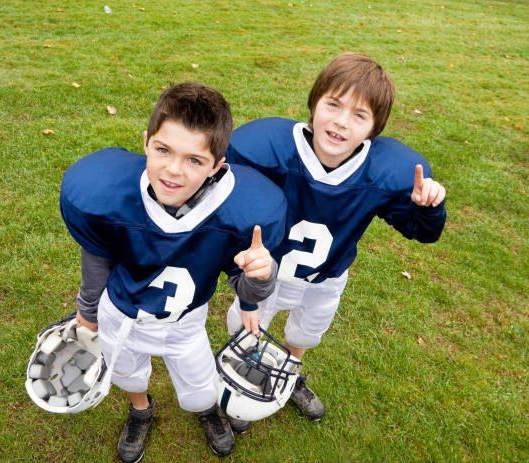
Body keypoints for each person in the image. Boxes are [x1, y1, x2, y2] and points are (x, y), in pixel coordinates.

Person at [60, 82, 287, 462]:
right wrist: (87, 312)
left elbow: (245, 286)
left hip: (185, 324)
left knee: (199, 385)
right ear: (146, 141)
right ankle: (140, 409)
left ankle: (206, 411)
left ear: (218, 165)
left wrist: (261, 277)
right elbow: (97, 257)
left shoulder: (241, 211)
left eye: (194, 160)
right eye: (163, 150)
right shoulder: (108, 195)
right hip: (122, 314)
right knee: (127, 374)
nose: (173, 170)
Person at [226, 53, 447, 425]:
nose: (342, 122)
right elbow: (230, 208)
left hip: (326, 277)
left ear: (374, 130)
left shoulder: (381, 172)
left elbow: (420, 231)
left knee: (306, 332)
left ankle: (290, 373)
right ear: (315, 102)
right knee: (247, 327)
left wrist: (427, 208)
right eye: (334, 104)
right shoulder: (268, 149)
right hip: (270, 274)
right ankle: (251, 373)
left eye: (360, 115)